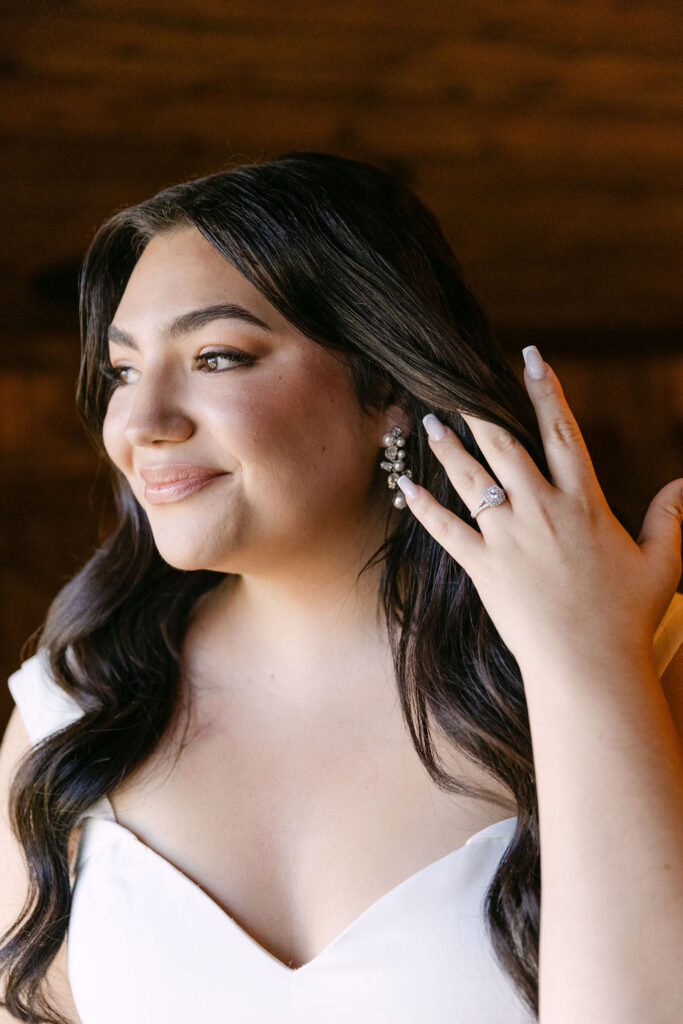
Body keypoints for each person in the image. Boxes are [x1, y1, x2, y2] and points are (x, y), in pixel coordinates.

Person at [1, 152, 681, 1024]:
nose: (139, 424)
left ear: (387, 388)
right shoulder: (71, 717)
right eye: (124, 370)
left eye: (216, 357)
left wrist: (585, 664)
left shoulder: (633, 669)